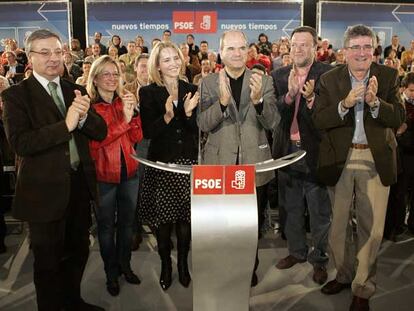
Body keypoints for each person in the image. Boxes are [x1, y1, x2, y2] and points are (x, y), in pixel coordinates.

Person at [1, 29, 107, 311]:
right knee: (47, 261)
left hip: (78, 188)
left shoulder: (77, 89)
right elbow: (21, 143)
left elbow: (100, 131)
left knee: (78, 251)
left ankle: (73, 302)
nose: (53, 58)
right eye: (44, 53)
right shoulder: (16, 96)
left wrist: (83, 119)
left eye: (58, 52)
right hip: (43, 193)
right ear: (30, 57)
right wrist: (67, 125)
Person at [312, 24, 405, 311]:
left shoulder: (388, 77)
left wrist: (375, 103)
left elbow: (399, 117)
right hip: (340, 159)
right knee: (337, 228)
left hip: (375, 160)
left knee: (371, 228)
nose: (362, 53)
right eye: (356, 47)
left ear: (375, 50)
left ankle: (362, 288)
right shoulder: (329, 79)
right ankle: (343, 274)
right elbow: (319, 120)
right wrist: (344, 104)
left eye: (368, 47)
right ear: (345, 51)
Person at [197, 30, 279, 287]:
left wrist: (257, 103)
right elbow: (202, 123)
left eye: (241, 48)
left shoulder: (263, 81)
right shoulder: (208, 82)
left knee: (250, 227)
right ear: (221, 52)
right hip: (219, 166)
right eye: (230, 49)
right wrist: (221, 105)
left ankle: (249, 268)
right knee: (221, 227)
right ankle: (223, 267)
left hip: (254, 164)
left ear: (248, 51)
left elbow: (273, 121)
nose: (236, 53)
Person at [271, 26, 332, 285]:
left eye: (305, 44)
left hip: (315, 153)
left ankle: (319, 259)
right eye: (295, 44)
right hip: (287, 152)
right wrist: (290, 95)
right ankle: (296, 252)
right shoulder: (278, 75)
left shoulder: (328, 75)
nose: (298, 49)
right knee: (291, 207)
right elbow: (273, 115)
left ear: (315, 48)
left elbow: (330, 115)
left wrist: (310, 100)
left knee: (319, 211)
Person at [139, 41, 199, 291]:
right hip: (162, 165)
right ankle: (166, 266)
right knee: (164, 222)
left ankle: (183, 266)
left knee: (185, 220)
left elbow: (194, 130)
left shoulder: (191, 88)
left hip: (187, 162)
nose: (173, 63)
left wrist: (186, 114)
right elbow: (148, 131)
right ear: (157, 66)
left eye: (175, 57)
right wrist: (167, 116)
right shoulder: (149, 92)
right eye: (166, 60)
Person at [87, 55, 143, 296]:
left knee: (128, 225)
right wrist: (125, 122)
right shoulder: (90, 108)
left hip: (130, 172)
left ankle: (125, 266)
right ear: (96, 78)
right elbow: (97, 141)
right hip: (103, 177)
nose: (111, 78)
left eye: (115, 74)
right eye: (106, 74)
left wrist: (135, 115)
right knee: (106, 227)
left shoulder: (123, 102)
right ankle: (111, 273)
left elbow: (136, 138)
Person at [384, 72, 414, 240]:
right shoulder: (397, 105)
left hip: (411, 154)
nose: (413, 94)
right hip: (400, 155)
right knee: (398, 193)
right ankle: (396, 226)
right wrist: (399, 133)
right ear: (403, 88)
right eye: (411, 90)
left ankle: (410, 225)